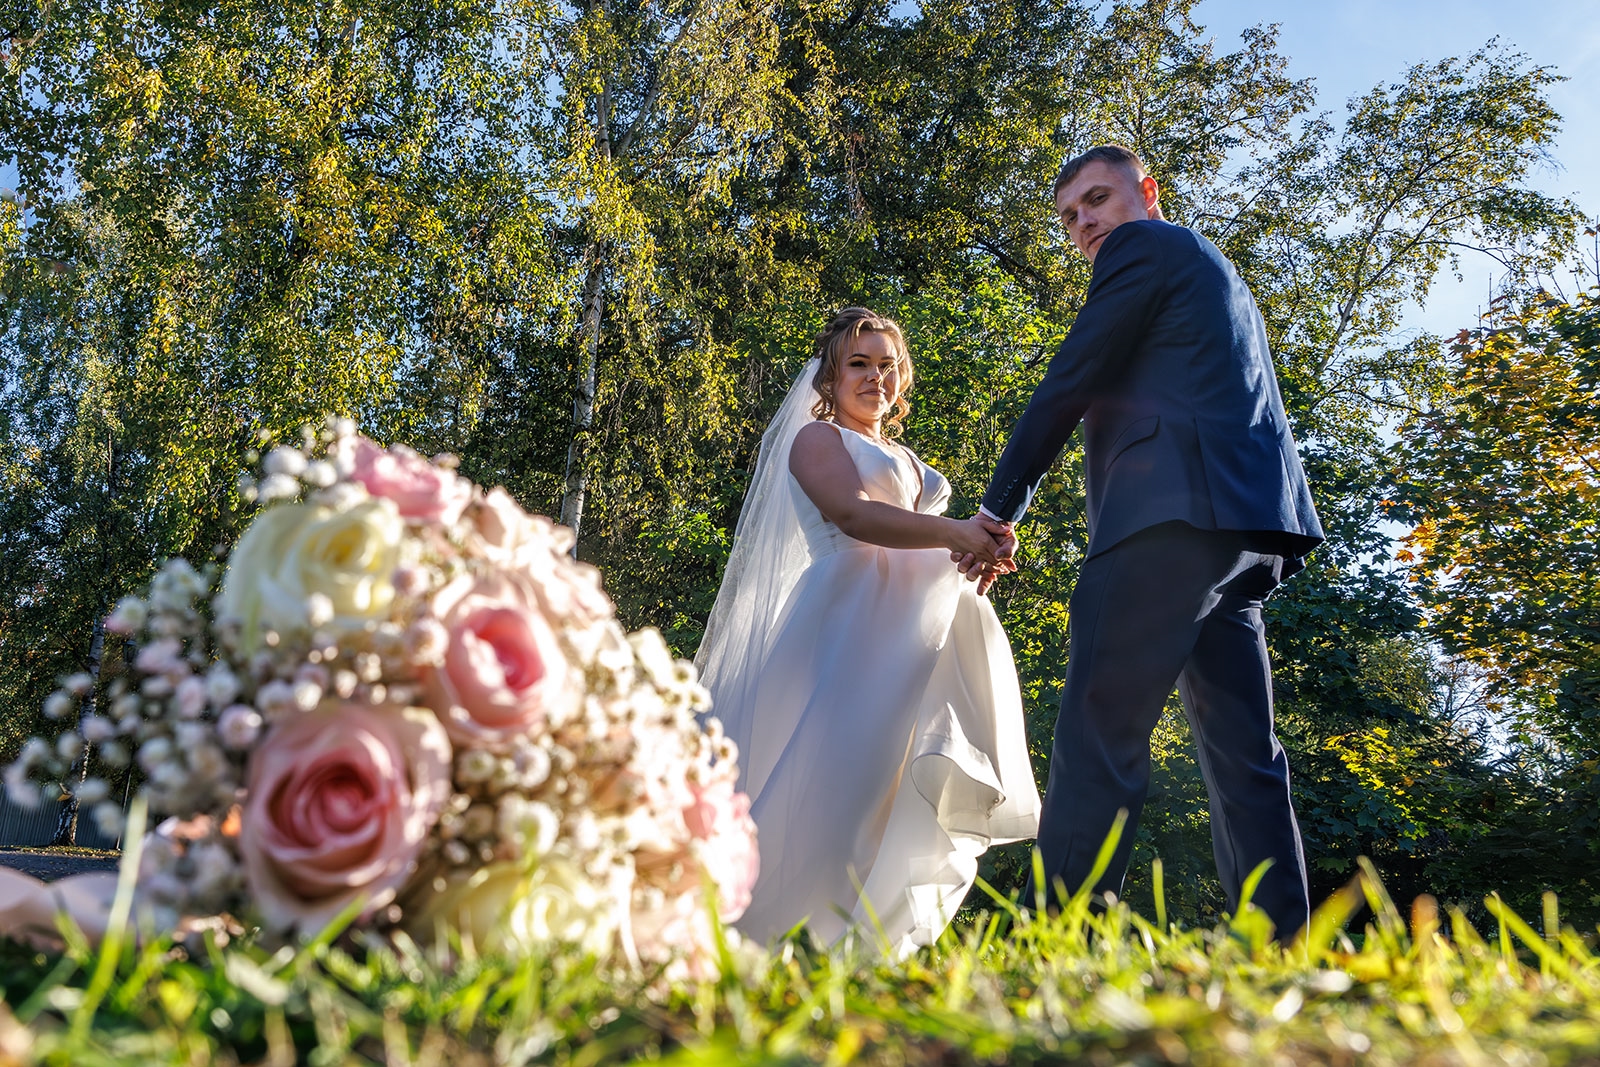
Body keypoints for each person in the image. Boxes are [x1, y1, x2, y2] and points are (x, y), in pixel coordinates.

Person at [964, 145, 1324, 939]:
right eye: (1070, 216)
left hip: (1165, 520)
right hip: (1245, 529)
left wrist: (999, 504)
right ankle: (1279, 945)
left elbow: (1074, 374)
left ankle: (1061, 939)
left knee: (1098, 729)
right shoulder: (1208, 266)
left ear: (1147, 193)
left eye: (1097, 199)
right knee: (1244, 756)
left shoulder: (1145, 246)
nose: (1085, 222)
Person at [696, 308, 1040, 956]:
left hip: (912, 637)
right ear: (829, 374)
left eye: (887, 364)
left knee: (894, 792)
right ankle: (764, 930)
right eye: (859, 363)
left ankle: (858, 945)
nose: (875, 376)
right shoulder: (815, 439)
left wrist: (974, 552)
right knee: (832, 782)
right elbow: (854, 515)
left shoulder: (906, 457)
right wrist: (954, 532)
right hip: (849, 623)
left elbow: (921, 538)